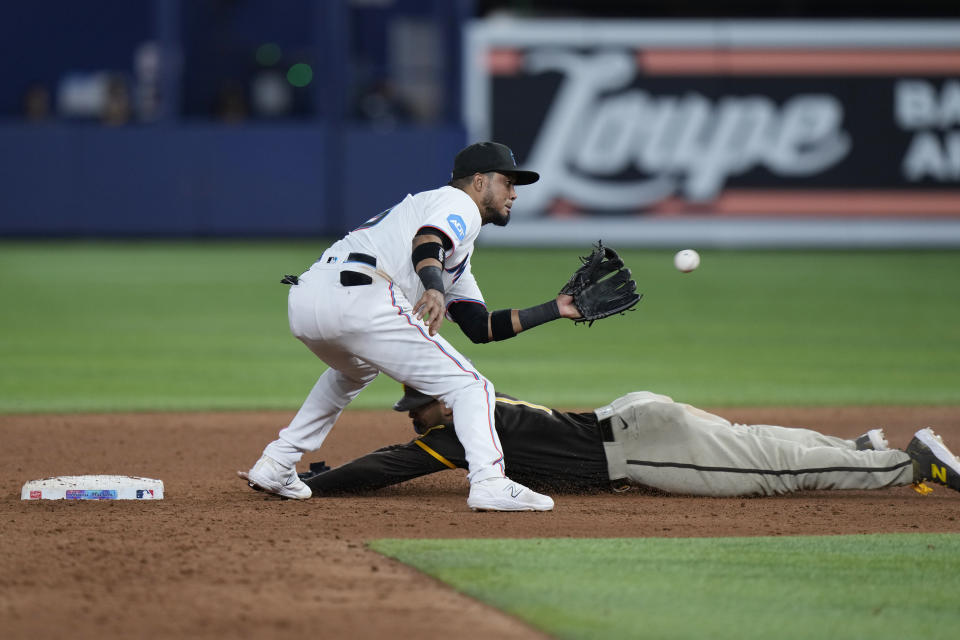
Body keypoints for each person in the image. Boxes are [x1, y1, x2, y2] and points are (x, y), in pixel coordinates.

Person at [243, 142, 587, 511]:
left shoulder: (456, 255)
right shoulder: (458, 205)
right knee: (472, 387)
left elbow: (480, 326)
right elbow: (428, 240)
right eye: (507, 182)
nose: (514, 194)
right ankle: (490, 481)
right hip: (361, 293)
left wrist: (557, 308)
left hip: (309, 297)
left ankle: (278, 461)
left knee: (355, 372)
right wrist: (435, 289)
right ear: (478, 182)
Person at [281, 385, 960, 499]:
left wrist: (309, 482)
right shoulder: (483, 403)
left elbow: (394, 467)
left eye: (417, 408)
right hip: (636, 417)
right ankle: (862, 445)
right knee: (753, 440)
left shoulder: (465, 422)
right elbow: (397, 456)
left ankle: (908, 465)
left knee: (770, 470)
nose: (413, 418)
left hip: (631, 447)